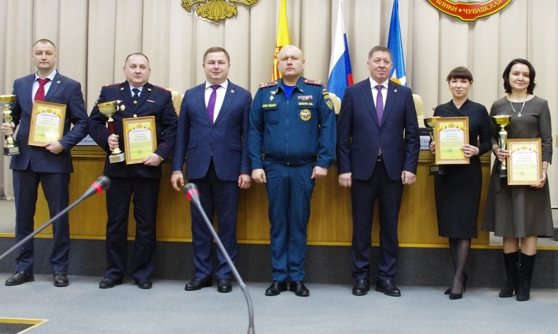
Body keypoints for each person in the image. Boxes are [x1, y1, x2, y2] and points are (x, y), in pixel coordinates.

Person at [249, 45, 336, 297]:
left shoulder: (316, 91)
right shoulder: (265, 92)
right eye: (284, 58)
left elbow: (329, 127)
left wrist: (324, 161)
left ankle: (296, 277)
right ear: (278, 62)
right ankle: (278, 277)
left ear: (303, 62)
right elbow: (254, 130)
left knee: (298, 223)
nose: (289, 62)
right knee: (278, 223)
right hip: (273, 168)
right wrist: (255, 164)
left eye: (294, 58)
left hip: (304, 169)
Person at [0, 39, 88, 288]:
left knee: (58, 217)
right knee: (23, 217)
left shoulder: (70, 86)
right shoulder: (21, 84)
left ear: (56, 56)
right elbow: (14, 116)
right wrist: (8, 127)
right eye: (39, 53)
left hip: (55, 159)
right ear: (32, 56)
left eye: (48, 53)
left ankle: (59, 269)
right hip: (24, 160)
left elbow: (82, 123)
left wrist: (64, 142)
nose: (43, 57)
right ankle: (23, 267)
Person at [87, 53, 177, 290]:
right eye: (133, 66)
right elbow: (93, 122)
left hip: (148, 169)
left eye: (142, 67)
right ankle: (114, 272)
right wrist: (107, 139)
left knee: (146, 223)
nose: (138, 71)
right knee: (116, 222)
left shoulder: (161, 95)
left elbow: (172, 128)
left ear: (149, 71)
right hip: (118, 169)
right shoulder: (109, 93)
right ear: (125, 69)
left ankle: (143, 272)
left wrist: (161, 154)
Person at [337, 46, 420, 297]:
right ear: (368, 63)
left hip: (393, 171)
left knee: (389, 227)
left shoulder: (404, 94)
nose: (382, 65)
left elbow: (413, 136)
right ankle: (361, 277)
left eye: (386, 61)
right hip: (361, 171)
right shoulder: (353, 92)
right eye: (377, 60)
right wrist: (344, 169)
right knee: (361, 227)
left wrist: (410, 166)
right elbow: (342, 136)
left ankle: (386, 277)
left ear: (392, 66)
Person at [171, 47, 252, 294]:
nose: (216, 66)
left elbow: (248, 136)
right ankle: (202, 274)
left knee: (227, 225)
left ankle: (225, 274)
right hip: (197, 169)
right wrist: (176, 168)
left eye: (221, 62)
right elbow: (181, 135)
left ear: (229, 66)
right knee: (200, 225)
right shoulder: (191, 95)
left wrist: (245, 170)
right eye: (211, 62)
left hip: (229, 170)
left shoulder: (242, 96)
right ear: (204, 66)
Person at [481, 58, 554, 302]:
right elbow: (491, 136)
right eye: (516, 73)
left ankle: (525, 284)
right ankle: (510, 280)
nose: (520, 78)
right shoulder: (498, 104)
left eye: (525, 74)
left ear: (531, 78)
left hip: (532, 175)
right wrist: (495, 149)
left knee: (529, 228)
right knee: (508, 227)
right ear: (508, 77)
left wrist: (543, 170)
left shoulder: (540, 104)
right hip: (505, 174)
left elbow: (546, 140)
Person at [429, 67, 492, 300]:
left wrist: (477, 149)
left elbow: (488, 141)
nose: (458, 85)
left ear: (470, 85)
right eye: (454, 81)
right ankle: (460, 274)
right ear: (448, 84)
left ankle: (457, 278)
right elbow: (433, 140)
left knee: (464, 225)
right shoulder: (440, 110)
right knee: (450, 226)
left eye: (463, 81)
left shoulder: (479, 110)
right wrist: (433, 147)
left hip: (468, 174)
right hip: (445, 174)